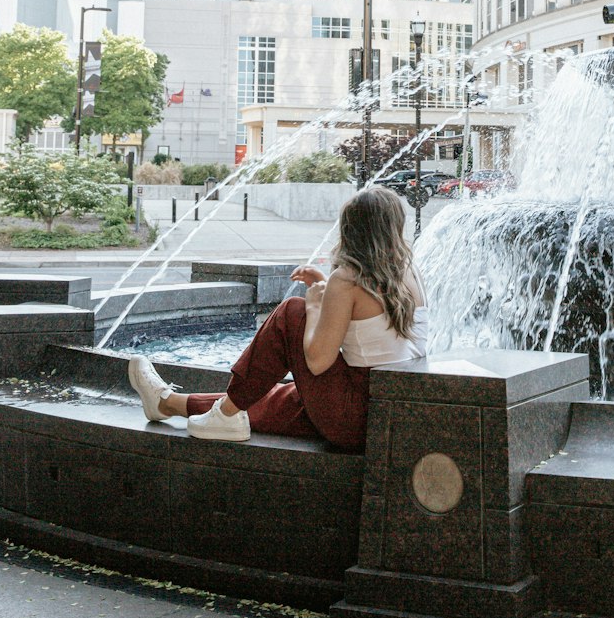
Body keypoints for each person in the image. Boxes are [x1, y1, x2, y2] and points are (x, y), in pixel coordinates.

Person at [128, 185, 427, 451]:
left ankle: (226, 413)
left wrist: (313, 306)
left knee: (291, 313)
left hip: (351, 417)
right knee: (281, 400)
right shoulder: (410, 272)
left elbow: (318, 361)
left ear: (351, 230)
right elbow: (370, 327)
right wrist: (326, 287)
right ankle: (168, 404)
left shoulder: (348, 279)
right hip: (383, 414)